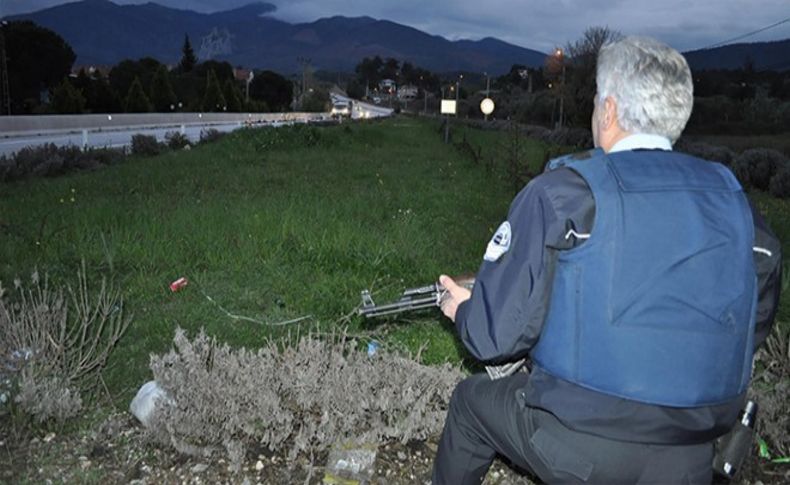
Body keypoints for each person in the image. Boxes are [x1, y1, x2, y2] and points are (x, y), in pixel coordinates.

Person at [432, 36, 782, 484]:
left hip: (579, 442)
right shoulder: (737, 206)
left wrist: (462, 308)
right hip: (692, 452)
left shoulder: (563, 194)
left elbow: (493, 338)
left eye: (597, 99)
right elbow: (756, 312)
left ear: (609, 110)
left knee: (469, 404)